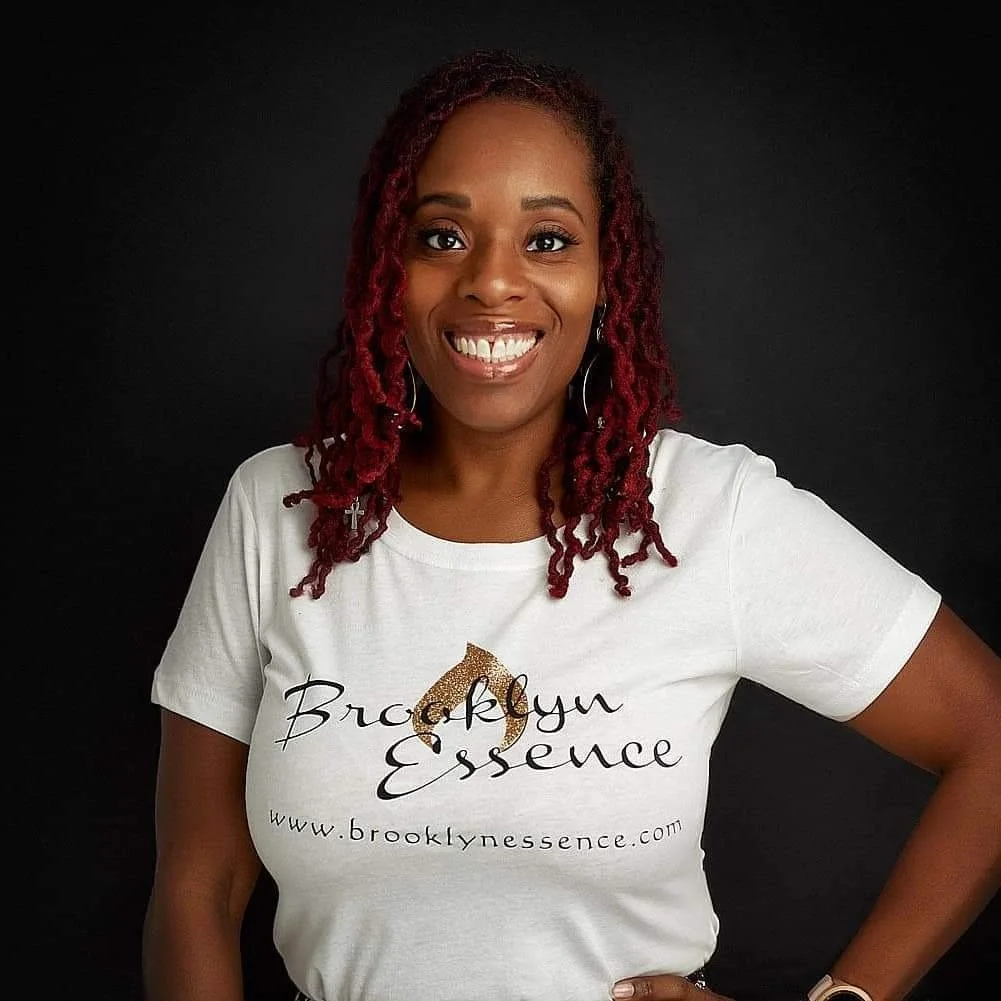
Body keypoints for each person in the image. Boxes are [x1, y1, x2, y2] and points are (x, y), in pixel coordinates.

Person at [142, 48, 1001, 1001]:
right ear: (389, 265)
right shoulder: (280, 509)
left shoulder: (705, 515)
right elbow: (198, 882)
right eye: (441, 236)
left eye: (547, 240)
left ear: (606, 275)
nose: (492, 284)